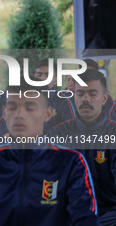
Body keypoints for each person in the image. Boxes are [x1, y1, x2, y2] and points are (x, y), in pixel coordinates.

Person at [0, 76, 99, 226]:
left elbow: (84, 218)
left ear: (47, 114)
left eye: (30, 107)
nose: (19, 115)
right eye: (12, 107)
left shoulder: (70, 162)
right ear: (4, 113)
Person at [47, 69, 116, 226]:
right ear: (74, 97)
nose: (86, 99)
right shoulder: (56, 134)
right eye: (80, 94)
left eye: (92, 94)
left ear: (104, 98)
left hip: (109, 215)